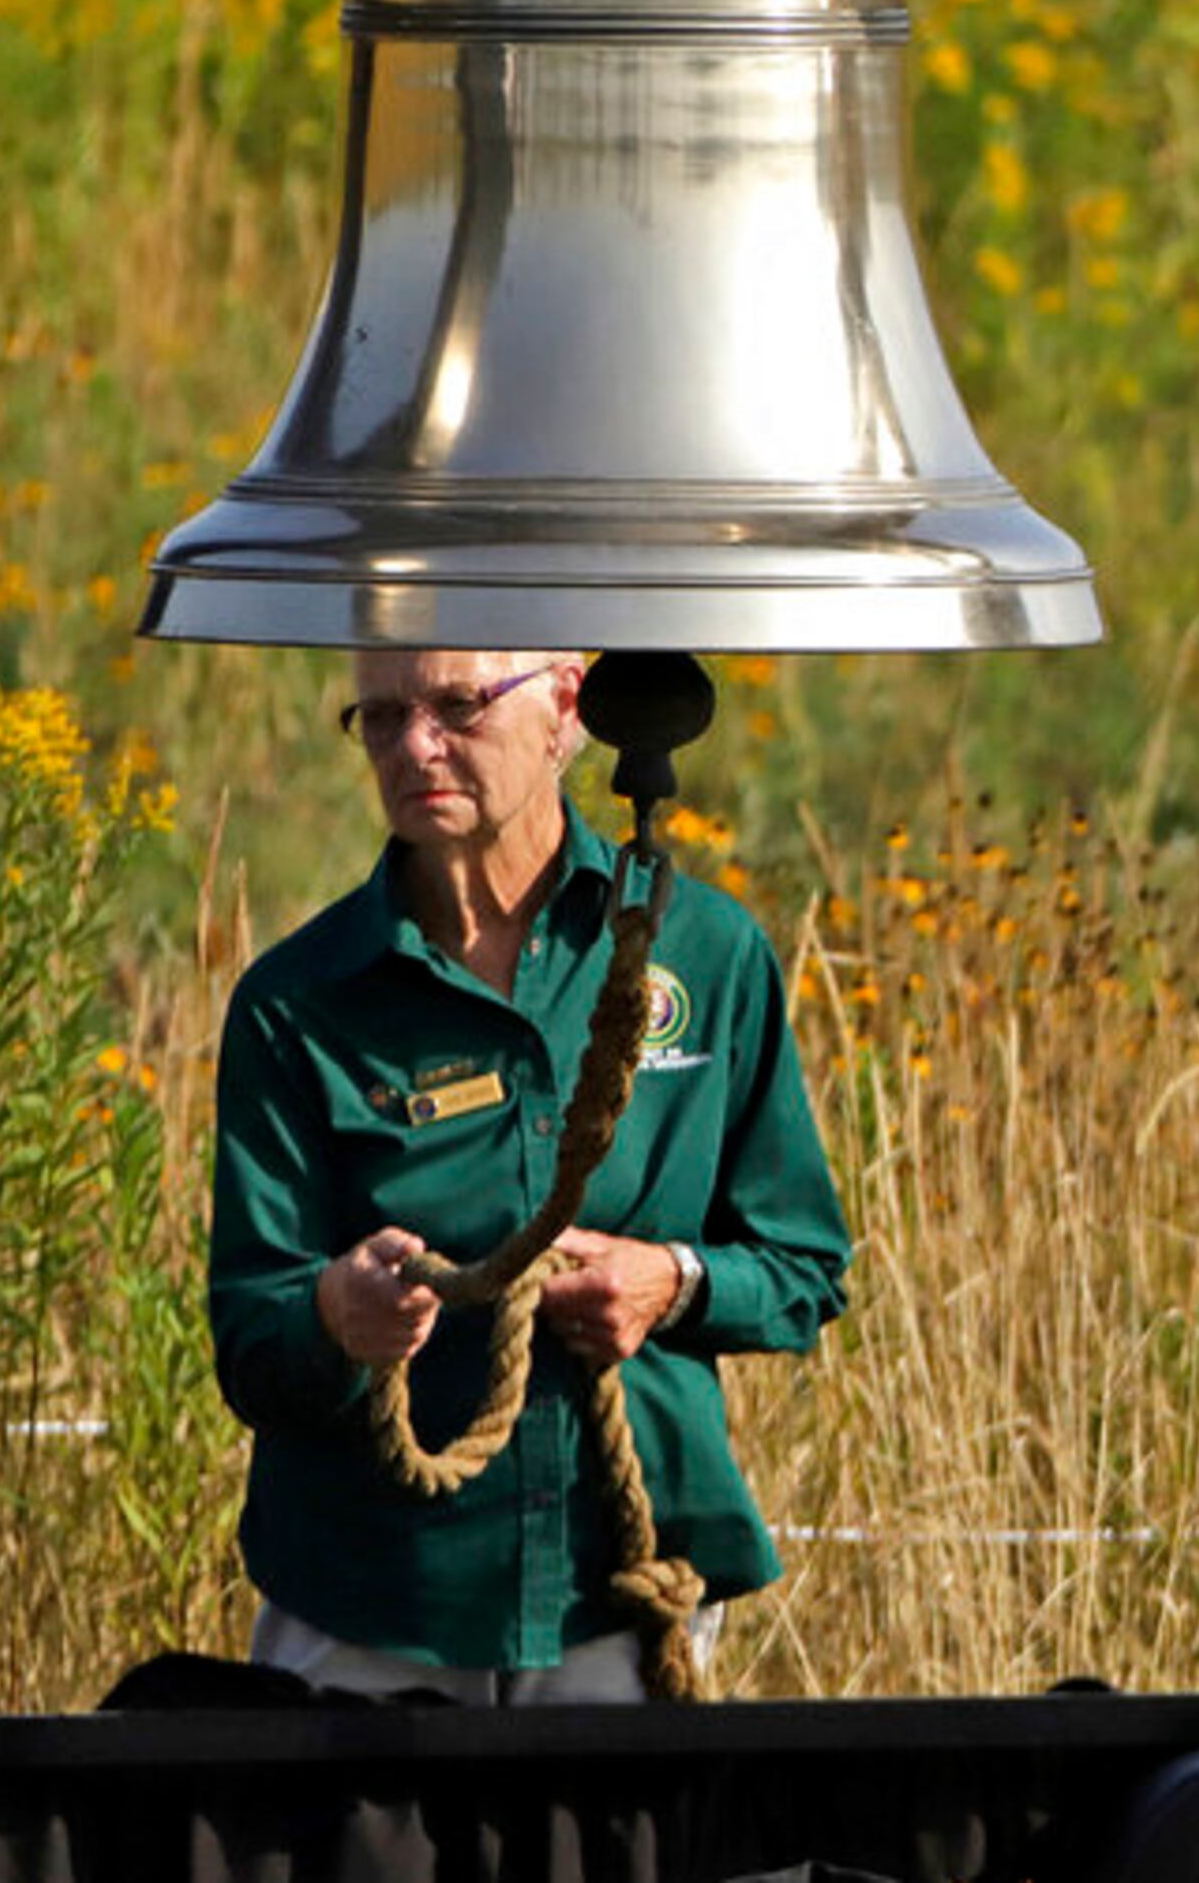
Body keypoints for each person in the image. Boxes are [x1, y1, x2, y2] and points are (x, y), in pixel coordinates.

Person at [206, 648, 850, 1703]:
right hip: (373, 1596)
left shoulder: (706, 950)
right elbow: (248, 1334)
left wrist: (672, 1281)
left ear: (569, 701)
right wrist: (335, 1310)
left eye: (458, 704)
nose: (416, 744)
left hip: (618, 1590)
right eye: (380, 715)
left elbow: (805, 1266)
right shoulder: (297, 1001)